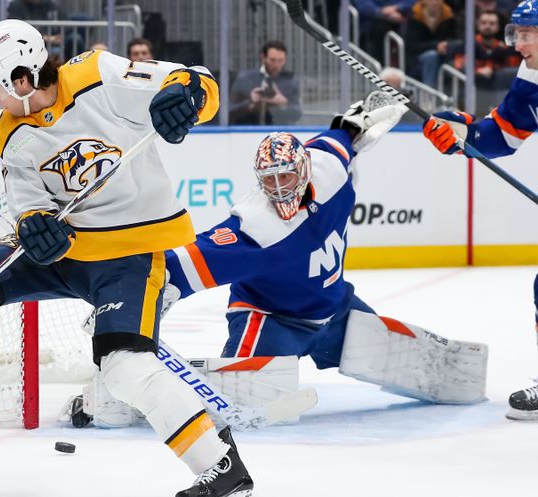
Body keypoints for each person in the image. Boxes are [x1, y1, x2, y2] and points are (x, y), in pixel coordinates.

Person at [0, 19, 260, 497]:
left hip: (130, 253)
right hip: (69, 250)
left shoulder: (99, 74)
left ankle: (225, 473)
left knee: (124, 367)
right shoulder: (9, 131)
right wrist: (34, 224)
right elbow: (29, 199)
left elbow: (192, 81)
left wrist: (186, 95)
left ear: (22, 76)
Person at [160, 94, 487, 406]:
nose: (278, 188)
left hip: (336, 314)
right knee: (241, 396)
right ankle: (151, 389)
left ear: (304, 169)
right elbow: (187, 262)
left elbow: (340, 140)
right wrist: (148, 285)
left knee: (417, 365)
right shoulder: (256, 225)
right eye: (269, 181)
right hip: (272, 321)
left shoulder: (329, 169)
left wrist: (351, 128)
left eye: (286, 177)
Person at [422, 0, 538, 420]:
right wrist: (464, 133)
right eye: (517, 33)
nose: (518, 43)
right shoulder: (532, 75)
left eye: (527, 33)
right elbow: (506, 135)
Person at [229, 41, 301, 125]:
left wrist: (284, 103)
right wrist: (250, 105)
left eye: (280, 60)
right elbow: (229, 112)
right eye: (272, 60)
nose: (276, 65)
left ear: (285, 60)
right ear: (263, 58)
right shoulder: (245, 79)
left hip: (278, 133)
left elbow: (297, 115)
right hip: (249, 132)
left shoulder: (290, 82)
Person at [404, 0, 459, 88]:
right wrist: (436, 46)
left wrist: (446, 45)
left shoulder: (449, 16)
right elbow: (411, 46)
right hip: (416, 57)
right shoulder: (414, 16)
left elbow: (454, 38)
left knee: (455, 60)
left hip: (443, 54)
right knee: (431, 56)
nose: (435, 2)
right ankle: (428, 91)